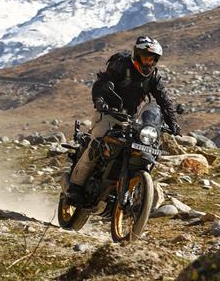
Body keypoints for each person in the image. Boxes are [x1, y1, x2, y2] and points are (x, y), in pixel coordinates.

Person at [68, 36, 181, 204]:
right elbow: (102, 82)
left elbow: (164, 100)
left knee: (147, 148)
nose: (148, 62)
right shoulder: (121, 64)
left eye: (152, 59)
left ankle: (132, 186)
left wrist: (173, 123)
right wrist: (100, 101)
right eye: (145, 57)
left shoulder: (153, 77)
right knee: (98, 143)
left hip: (132, 120)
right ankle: (75, 187)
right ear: (137, 54)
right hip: (108, 114)